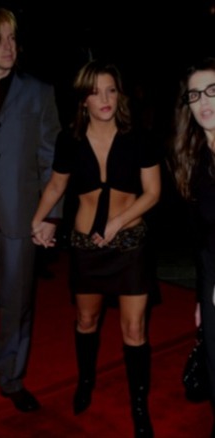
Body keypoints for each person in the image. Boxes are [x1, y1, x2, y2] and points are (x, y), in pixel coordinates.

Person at [31, 60, 160, 437]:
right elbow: (55, 186)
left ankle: (139, 403)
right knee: (86, 321)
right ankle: (85, 381)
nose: (104, 99)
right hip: (87, 245)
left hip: (130, 243)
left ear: (119, 95)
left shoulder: (140, 136)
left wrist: (118, 222)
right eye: (95, 91)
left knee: (134, 329)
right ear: (83, 99)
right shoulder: (69, 140)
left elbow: (153, 193)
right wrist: (38, 221)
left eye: (111, 90)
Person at [0, 6, 62, 412]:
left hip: (23, 214)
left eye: (12, 38)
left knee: (18, 301)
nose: (9, 47)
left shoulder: (39, 92)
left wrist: (50, 217)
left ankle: (11, 379)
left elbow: (52, 159)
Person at [170, 57, 215, 437]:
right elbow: (202, 241)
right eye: (195, 94)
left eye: (213, 90)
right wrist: (202, 298)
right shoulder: (193, 160)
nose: (204, 101)